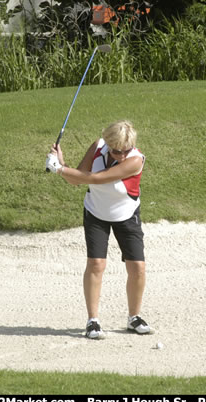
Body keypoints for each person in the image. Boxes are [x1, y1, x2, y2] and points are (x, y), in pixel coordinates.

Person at [45, 120, 154, 339]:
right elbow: (77, 179)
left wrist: (59, 170)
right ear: (108, 143)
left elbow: (96, 178)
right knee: (96, 264)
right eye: (115, 151)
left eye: (125, 151)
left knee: (137, 268)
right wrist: (61, 162)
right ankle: (92, 321)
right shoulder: (97, 146)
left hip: (126, 215)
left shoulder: (135, 161)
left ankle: (134, 317)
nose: (120, 156)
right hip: (96, 212)